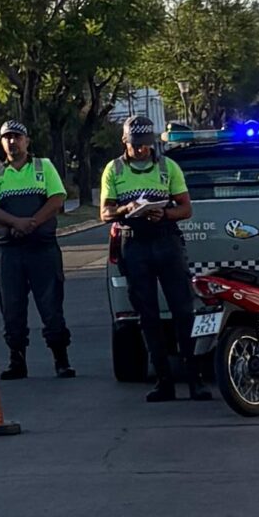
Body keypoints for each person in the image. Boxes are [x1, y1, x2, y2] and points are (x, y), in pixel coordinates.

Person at [101, 113, 200, 402]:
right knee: (147, 316)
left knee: (183, 311)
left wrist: (164, 213)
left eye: (145, 144)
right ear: (125, 141)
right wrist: (126, 208)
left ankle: (194, 379)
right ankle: (163, 380)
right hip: (135, 245)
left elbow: (186, 208)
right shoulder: (114, 170)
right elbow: (105, 213)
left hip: (166, 239)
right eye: (136, 144)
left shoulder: (168, 167)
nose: (141, 149)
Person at [0, 120, 73, 380]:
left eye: (17, 137)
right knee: (12, 307)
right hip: (10, 251)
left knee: (51, 305)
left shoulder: (44, 167)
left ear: (27, 141)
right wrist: (16, 223)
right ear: (1, 142)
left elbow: (57, 199)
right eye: (7, 137)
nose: (12, 142)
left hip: (42, 248)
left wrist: (32, 223)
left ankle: (61, 359)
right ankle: (17, 361)